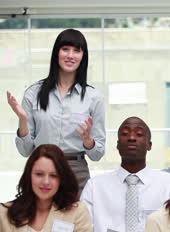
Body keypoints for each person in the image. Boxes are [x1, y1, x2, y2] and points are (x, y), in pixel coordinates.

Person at [7, 28, 106, 192]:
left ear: (83, 57)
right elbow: (25, 151)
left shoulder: (94, 97)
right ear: (56, 53)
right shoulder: (34, 93)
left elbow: (98, 154)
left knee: (75, 217)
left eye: (76, 51)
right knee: (40, 218)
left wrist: (88, 141)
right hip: (41, 169)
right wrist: (23, 120)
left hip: (76, 172)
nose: (70, 55)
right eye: (65, 49)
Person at [81, 116, 170, 232]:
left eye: (139, 134)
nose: (131, 137)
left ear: (149, 145)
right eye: (125, 134)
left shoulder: (169, 184)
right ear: (117, 145)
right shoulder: (95, 186)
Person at [0, 144, 97, 232]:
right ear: (29, 175)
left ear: (62, 179)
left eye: (53, 175)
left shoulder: (77, 212)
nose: (46, 182)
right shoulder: (4, 212)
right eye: (39, 174)